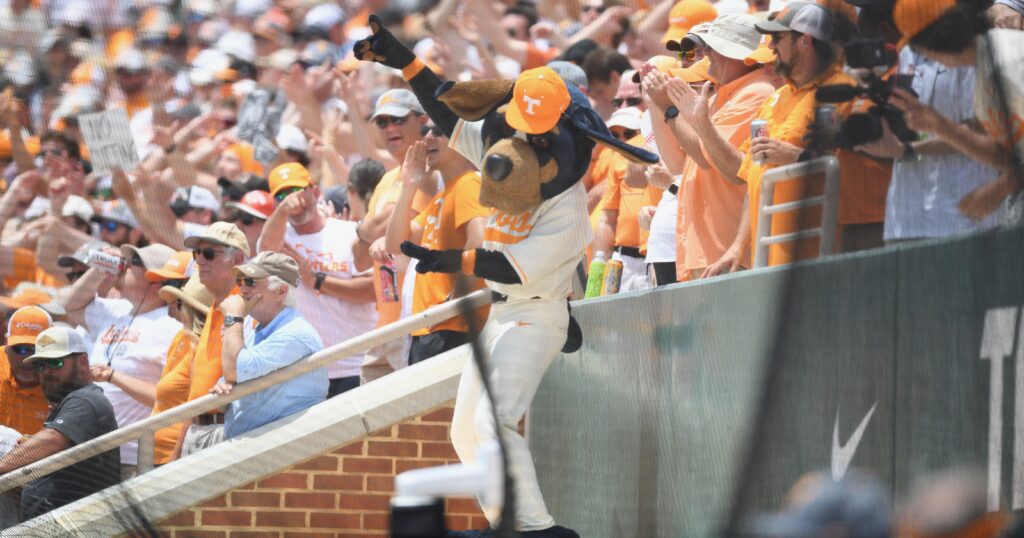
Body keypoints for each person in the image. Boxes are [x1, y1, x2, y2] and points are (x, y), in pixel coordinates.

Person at [731, 3, 889, 266]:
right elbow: (753, 177)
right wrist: (737, 245)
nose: (771, 46)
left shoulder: (844, 91)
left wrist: (796, 157)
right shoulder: (775, 98)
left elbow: (857, 168)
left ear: (805, 41)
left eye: (778, 38)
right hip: (768, 256)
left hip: (819, 253)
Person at [644, 14, 779, 279]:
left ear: (739, 54)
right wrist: (658, 106)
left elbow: (711, 160)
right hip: (712, 249)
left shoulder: (755, 92)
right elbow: (681, 163)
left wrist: (669, 109)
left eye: (714, 47)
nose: (705, 54)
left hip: (728, 249)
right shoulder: (725, 94)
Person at [890, 0, 1024, 224]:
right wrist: (941, 126)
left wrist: (1003, 186)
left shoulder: (1009, 58)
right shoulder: (985, 70)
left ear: (931, 43)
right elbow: (1007, 158)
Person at [855, 48, 1002, 242]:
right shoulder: (906, 51)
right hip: (905, 220)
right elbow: (906, 126)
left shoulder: (972, 46)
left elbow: (980, 131)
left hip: (961, 220)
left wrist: (908, 149)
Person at [61, 243, 181, 479]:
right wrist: (99, 269)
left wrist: (114, 376)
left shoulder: (171, 328)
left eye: (134, 262)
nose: (124, 265)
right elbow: (70, 305)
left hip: (133, 458)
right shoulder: (116, 309)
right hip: (90, 450)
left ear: (156, 280)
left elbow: (171, 398)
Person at [258, 163, 376, 397]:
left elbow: (372, 289)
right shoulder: (281, 237)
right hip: (307, 369)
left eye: (298, 190)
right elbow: (265, 251)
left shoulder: (348, 232)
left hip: (357, 361)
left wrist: (316, 280)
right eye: (282, 195)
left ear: (316, 192)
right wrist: (281, 212)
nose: (293, 200)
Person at [380, 124, 488, 364]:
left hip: (453, 327)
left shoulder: (469, 183)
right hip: (434, 327)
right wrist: (409, 186)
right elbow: (396, 244)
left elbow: (480, 243)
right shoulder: (444, 195)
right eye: (426, 130)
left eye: (439, 130)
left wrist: (453, 300)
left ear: (465, 141)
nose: (427, 137)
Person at [353, 89, 434, 384]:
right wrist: (367, 230)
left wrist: (365, 228)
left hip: (414, 321)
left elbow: (390, 238)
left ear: (422, 120)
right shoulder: (388, 178)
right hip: (385, 321)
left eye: (398, 119)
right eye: (382, 122)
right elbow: (359, 258)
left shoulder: (429, 173)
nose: (390, 128)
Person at [0, 326, 119, 521]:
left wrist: (2, 466)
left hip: (75, 527)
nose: (46, 372)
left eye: (55, 362)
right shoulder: (69, 403)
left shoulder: (86, 399)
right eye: (40, 366)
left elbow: (52, 440)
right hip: (55, 524)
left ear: (82, 363)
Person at [207, 252, 327, 439]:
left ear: (281, 291)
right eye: (241, 282)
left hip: (279, 450)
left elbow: (234, 371)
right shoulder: (259, 330)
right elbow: (228, 380)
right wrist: (224, 386)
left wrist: (233, 317)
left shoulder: (295, 333)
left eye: (251, 282)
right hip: (252, 445)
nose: (242, 290)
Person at [179, 222, 249, 456]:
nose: (199, 260)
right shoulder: (215, 305)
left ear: (237, 259)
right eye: (197, 253)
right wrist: (177, 451)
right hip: (200, 429)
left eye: (208, 253)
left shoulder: (246, 307)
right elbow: (196, 392)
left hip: (226, 427)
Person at [0, 306, 52, 436]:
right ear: (7, 346)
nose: (27, 358)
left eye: (36, 349)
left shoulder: (64, 383)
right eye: (20, 349)